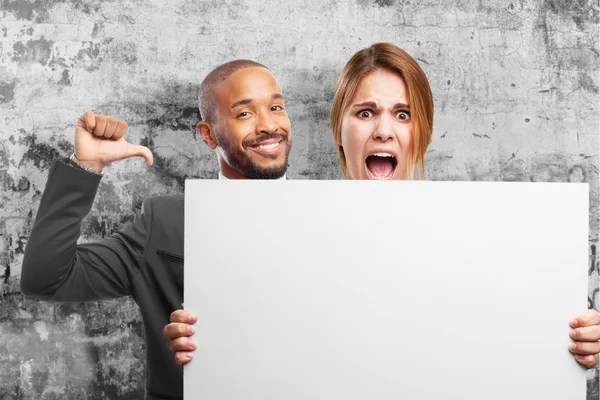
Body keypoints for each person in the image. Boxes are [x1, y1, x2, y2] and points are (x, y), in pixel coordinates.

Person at [164, 43, 600, 369]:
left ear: (421, 134)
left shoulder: (487, 240)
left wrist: (581, 341)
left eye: (403, 115)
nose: (385, 131)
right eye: (366, 113)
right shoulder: (279, 236)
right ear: (339, 129)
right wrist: (201, 345)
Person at [20, 59, 292, 400]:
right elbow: (45, 278)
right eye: (244, 114)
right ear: (208, 135)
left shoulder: (336, 217)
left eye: (276, 107)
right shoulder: (164, 222)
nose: (269, 125)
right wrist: (86, 166)